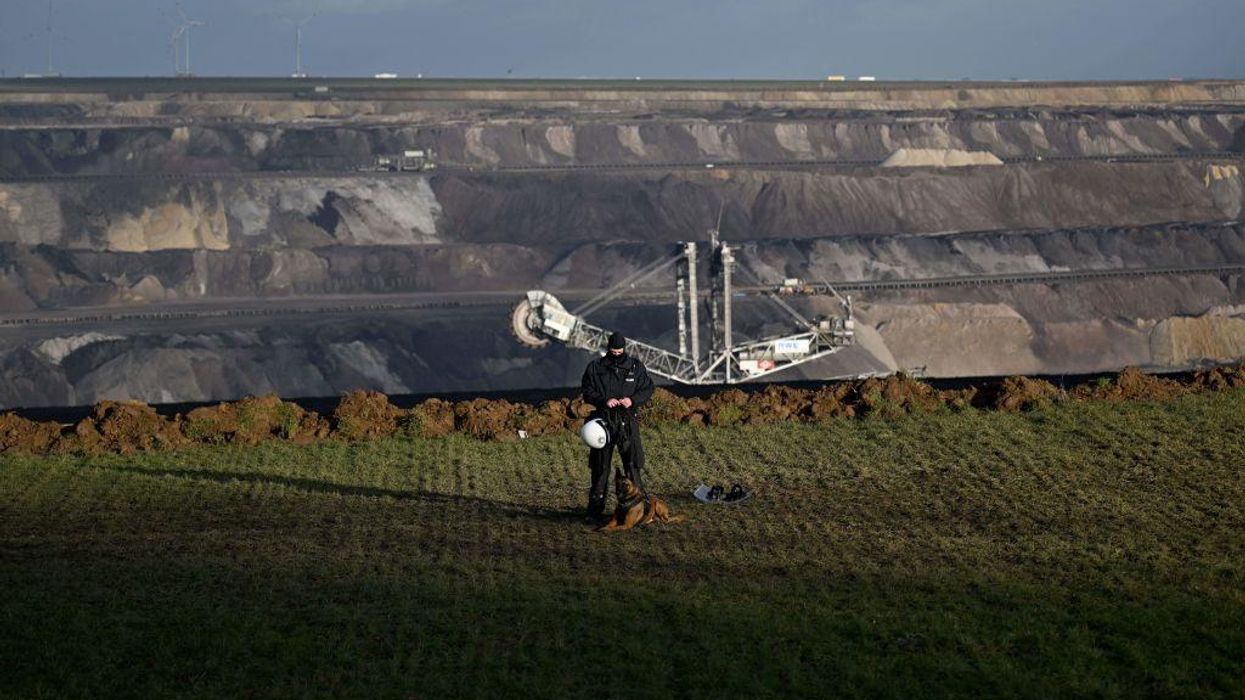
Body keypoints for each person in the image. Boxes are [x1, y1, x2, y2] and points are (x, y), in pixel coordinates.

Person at [580, 331, 654, 520]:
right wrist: (605, 400)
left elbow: (648, 388)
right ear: (608, 349)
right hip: (603, 423)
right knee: (600, 468)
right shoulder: (595, 368)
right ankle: (594, 512)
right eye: (613, 351)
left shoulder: (635, 367)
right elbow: (587, 391)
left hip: (627, 422)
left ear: (624, 348)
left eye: (619, 350)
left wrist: (633, 400)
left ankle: (641, 511)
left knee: (632, 465)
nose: (616, 354)